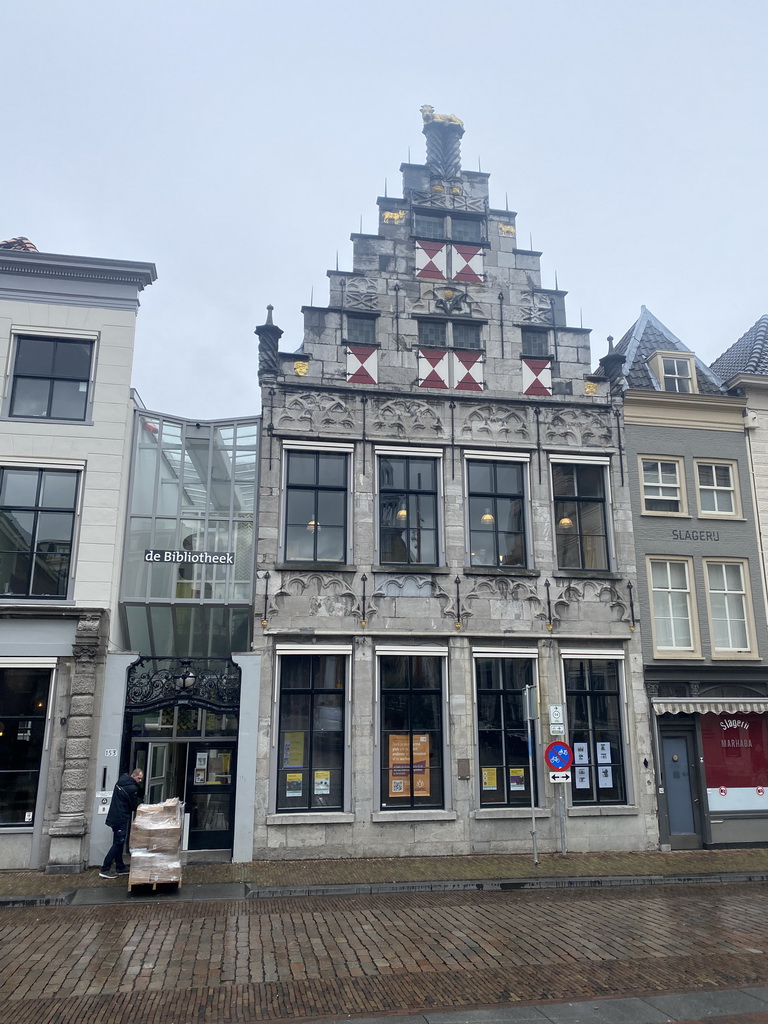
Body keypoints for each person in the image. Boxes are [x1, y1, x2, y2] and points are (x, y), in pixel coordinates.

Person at [99, 768, 144, 878]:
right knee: (119, 843)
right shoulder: (131, 788)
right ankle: (105, 868)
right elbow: (134, 805)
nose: (140, 781)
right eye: (139, 778)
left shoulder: (121, 781)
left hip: (115, 816)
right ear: (133, 776)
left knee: (118, 841)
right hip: (121, 817)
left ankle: (120, 866)